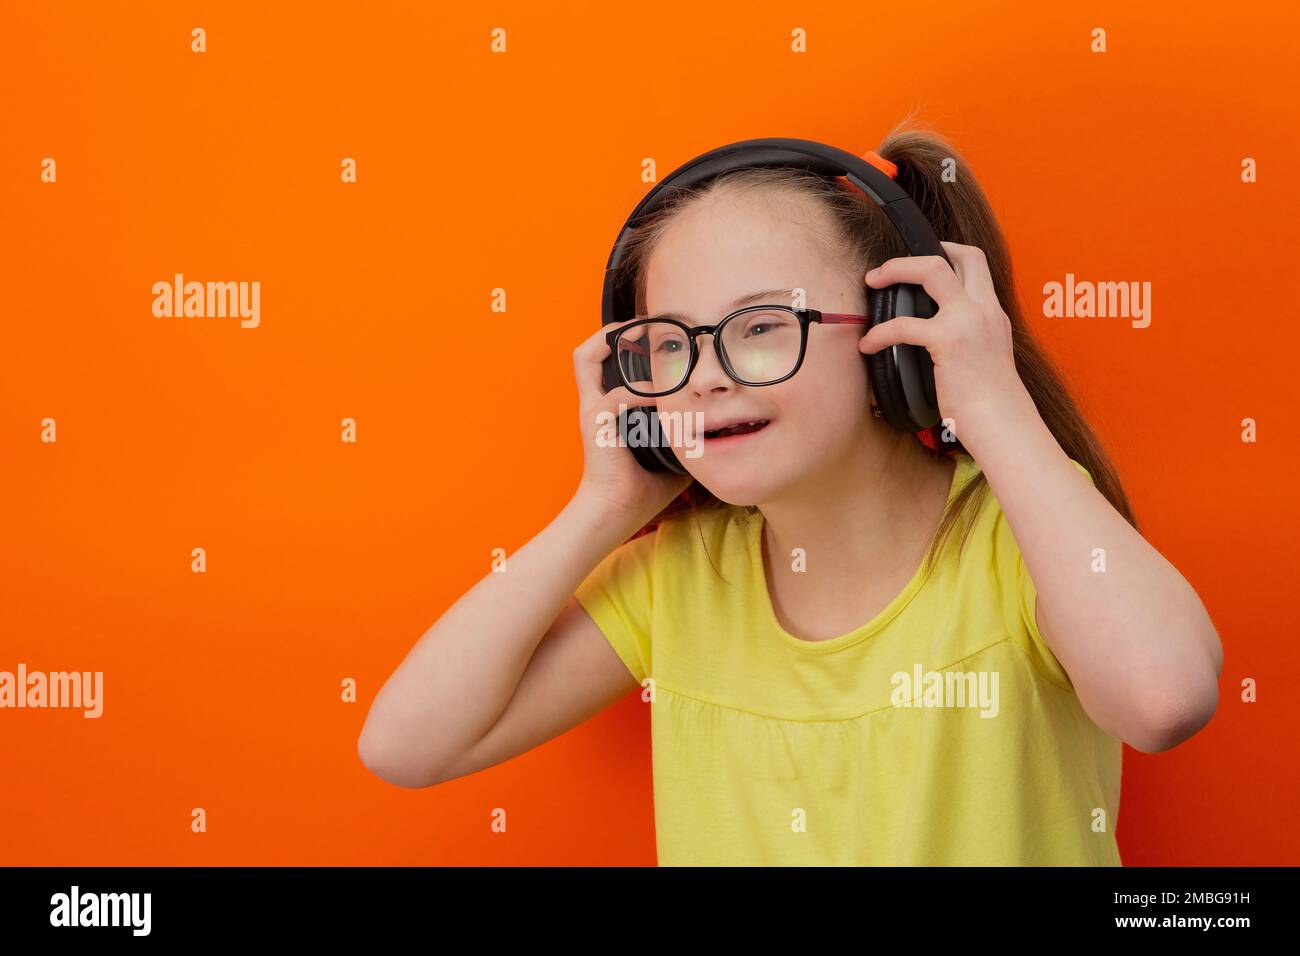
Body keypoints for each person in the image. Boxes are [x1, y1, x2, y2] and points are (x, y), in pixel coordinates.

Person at [357, 122, 1223, 866]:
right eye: (670, 345)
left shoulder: (1017, 540)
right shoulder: (680, 580)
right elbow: (406, 746)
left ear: (896, 343)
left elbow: (1165, 697)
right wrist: (605, 506)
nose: (703, 379)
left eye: (761, 328)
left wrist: (994, 408)